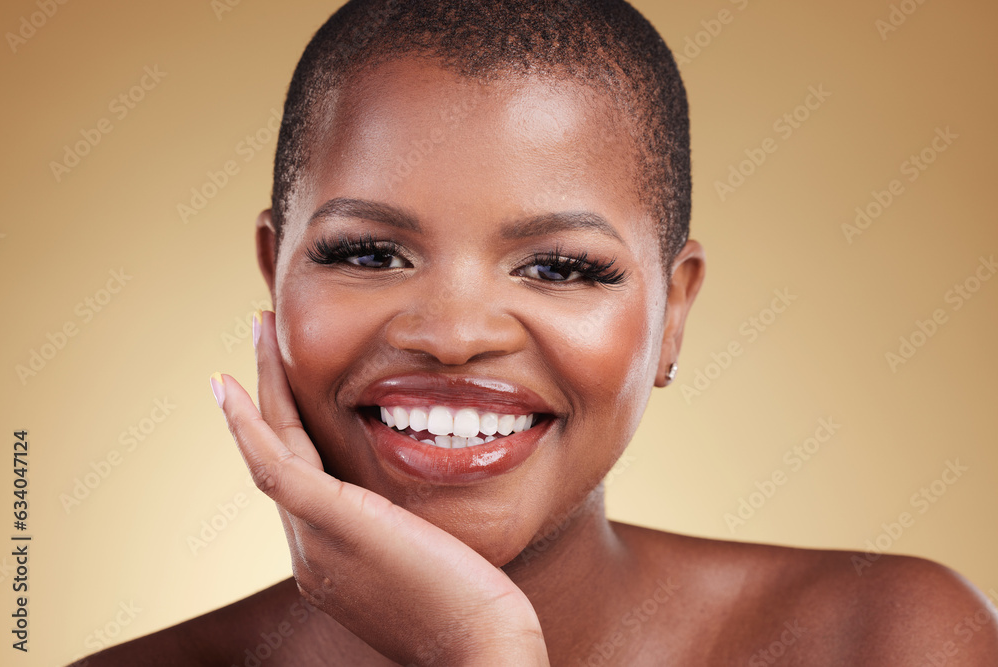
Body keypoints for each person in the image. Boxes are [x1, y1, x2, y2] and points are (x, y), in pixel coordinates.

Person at [73, 0, 998, 664]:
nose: (454, 333)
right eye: (368, 252)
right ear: (276, 267)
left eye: (560, 267)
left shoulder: (889, 638)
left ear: (673, 312)